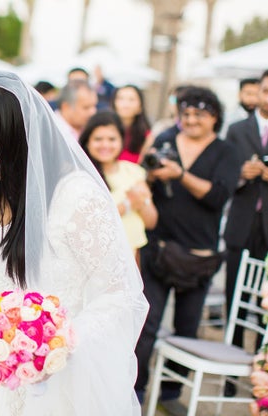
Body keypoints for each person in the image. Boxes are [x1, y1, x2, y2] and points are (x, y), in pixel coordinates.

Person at [0, 71, 148, 415]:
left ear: (20, 135)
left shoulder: (77, 197)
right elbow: (8, 262)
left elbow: (120, 294)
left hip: (62, 377)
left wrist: (54, 343)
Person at [134, 86, 241, 406]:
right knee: (147, 324)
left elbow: (218, 197)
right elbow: (143, 178)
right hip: (159, 246)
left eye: (199, 114)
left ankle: (170, 393)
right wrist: (151, 173)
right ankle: (136, 391)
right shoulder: (166, 138)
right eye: (186, 114)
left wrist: (179, 174)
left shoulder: (226, 151)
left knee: (187, 326)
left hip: (199, 255)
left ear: (215, 117)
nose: (191, 119)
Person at [223, 69, 268, 356]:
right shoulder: (237, 129)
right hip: (241, 222)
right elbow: (224, 176)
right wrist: (240, 174)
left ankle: (261, 366)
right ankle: (232, 364)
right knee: (233, 294)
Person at [79, 111, 158, 264]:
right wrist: (127, 205)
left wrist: (143, 201)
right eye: (98, 139)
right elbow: (87, 225)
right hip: (98, 261)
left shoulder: (134, 171)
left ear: (122, 140)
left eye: (112, 139)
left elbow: (151, 222)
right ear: (87, 141)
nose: (105, 145)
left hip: (132, 259)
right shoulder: (81, 177)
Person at [111, 84, 152, 164]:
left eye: (131, 99)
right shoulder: (104, 130)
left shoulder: (146, 137)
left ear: (140, 106)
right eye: (121, 98)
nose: (125, 104)